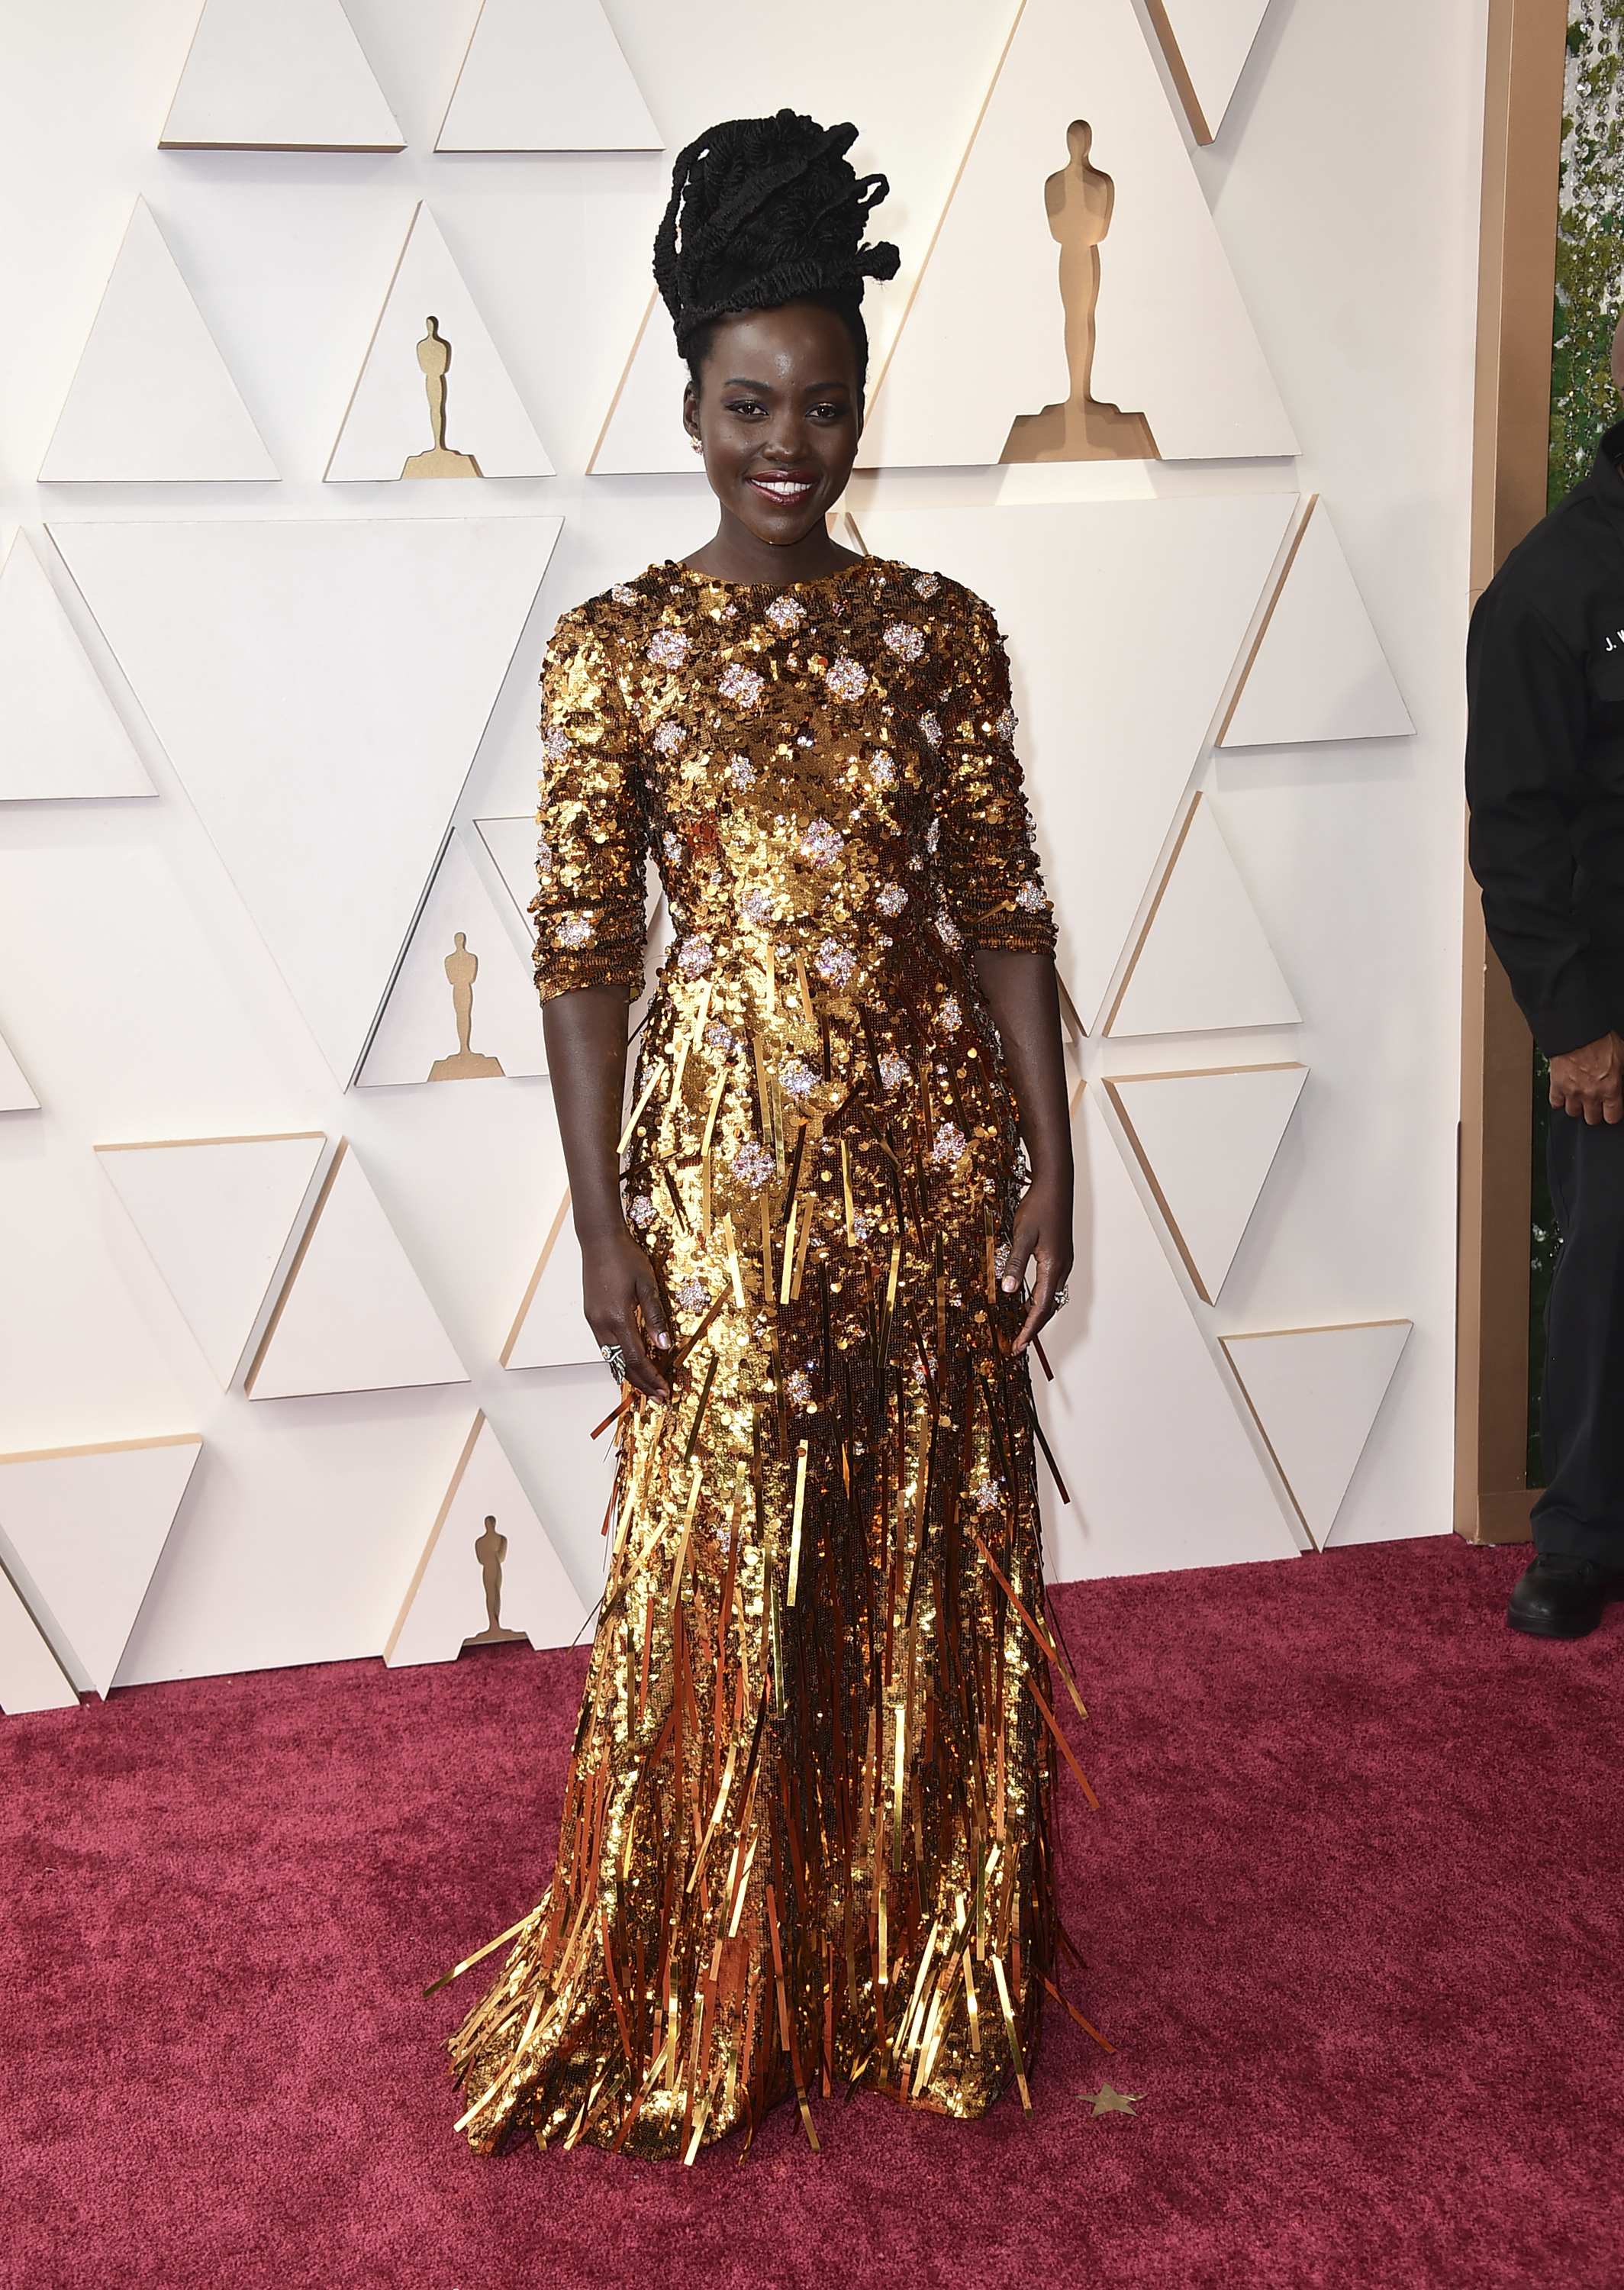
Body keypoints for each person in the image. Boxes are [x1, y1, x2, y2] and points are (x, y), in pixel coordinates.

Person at [438, 111, 1083, 2159]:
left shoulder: (943, 634)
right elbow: (577, 950)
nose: (783, 444)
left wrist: (1049, 1163)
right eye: (744, 405)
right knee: (728, 1580)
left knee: (922, 1569)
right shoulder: (616, 650)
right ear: (691, 401)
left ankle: (915, 1965)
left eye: (819, 404)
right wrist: (605, 1224)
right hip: (715, 1186)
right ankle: (721, 1978)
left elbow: (1003, 908)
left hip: (929, 1176)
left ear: (862, 403)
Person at [1466, 337, 1624, 1640]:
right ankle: (1579, 1538)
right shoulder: (1551, 586)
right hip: (1615, 1001)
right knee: (1611, 1269)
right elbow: (1514, 829)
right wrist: (1572, 1026)